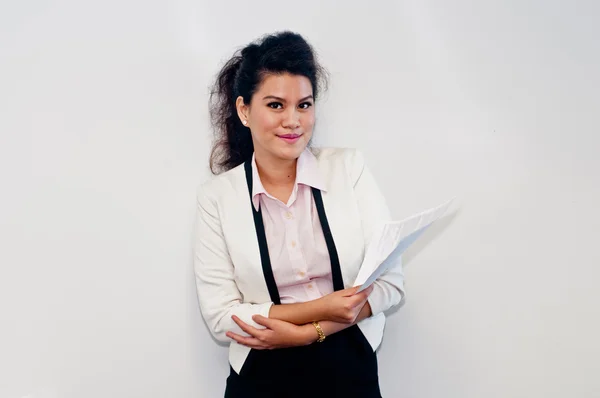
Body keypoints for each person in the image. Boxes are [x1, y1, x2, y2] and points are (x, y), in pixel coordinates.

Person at [193, 31, 405, 397]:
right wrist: (323, 307)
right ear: (244, 109)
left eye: (304, 105)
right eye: (276, 105)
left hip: (348, 364)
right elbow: (220, 315)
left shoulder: (348, 169)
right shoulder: (218, 198)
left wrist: (307, 332)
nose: (293, 120)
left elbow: (390, 285)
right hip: (261, 370)